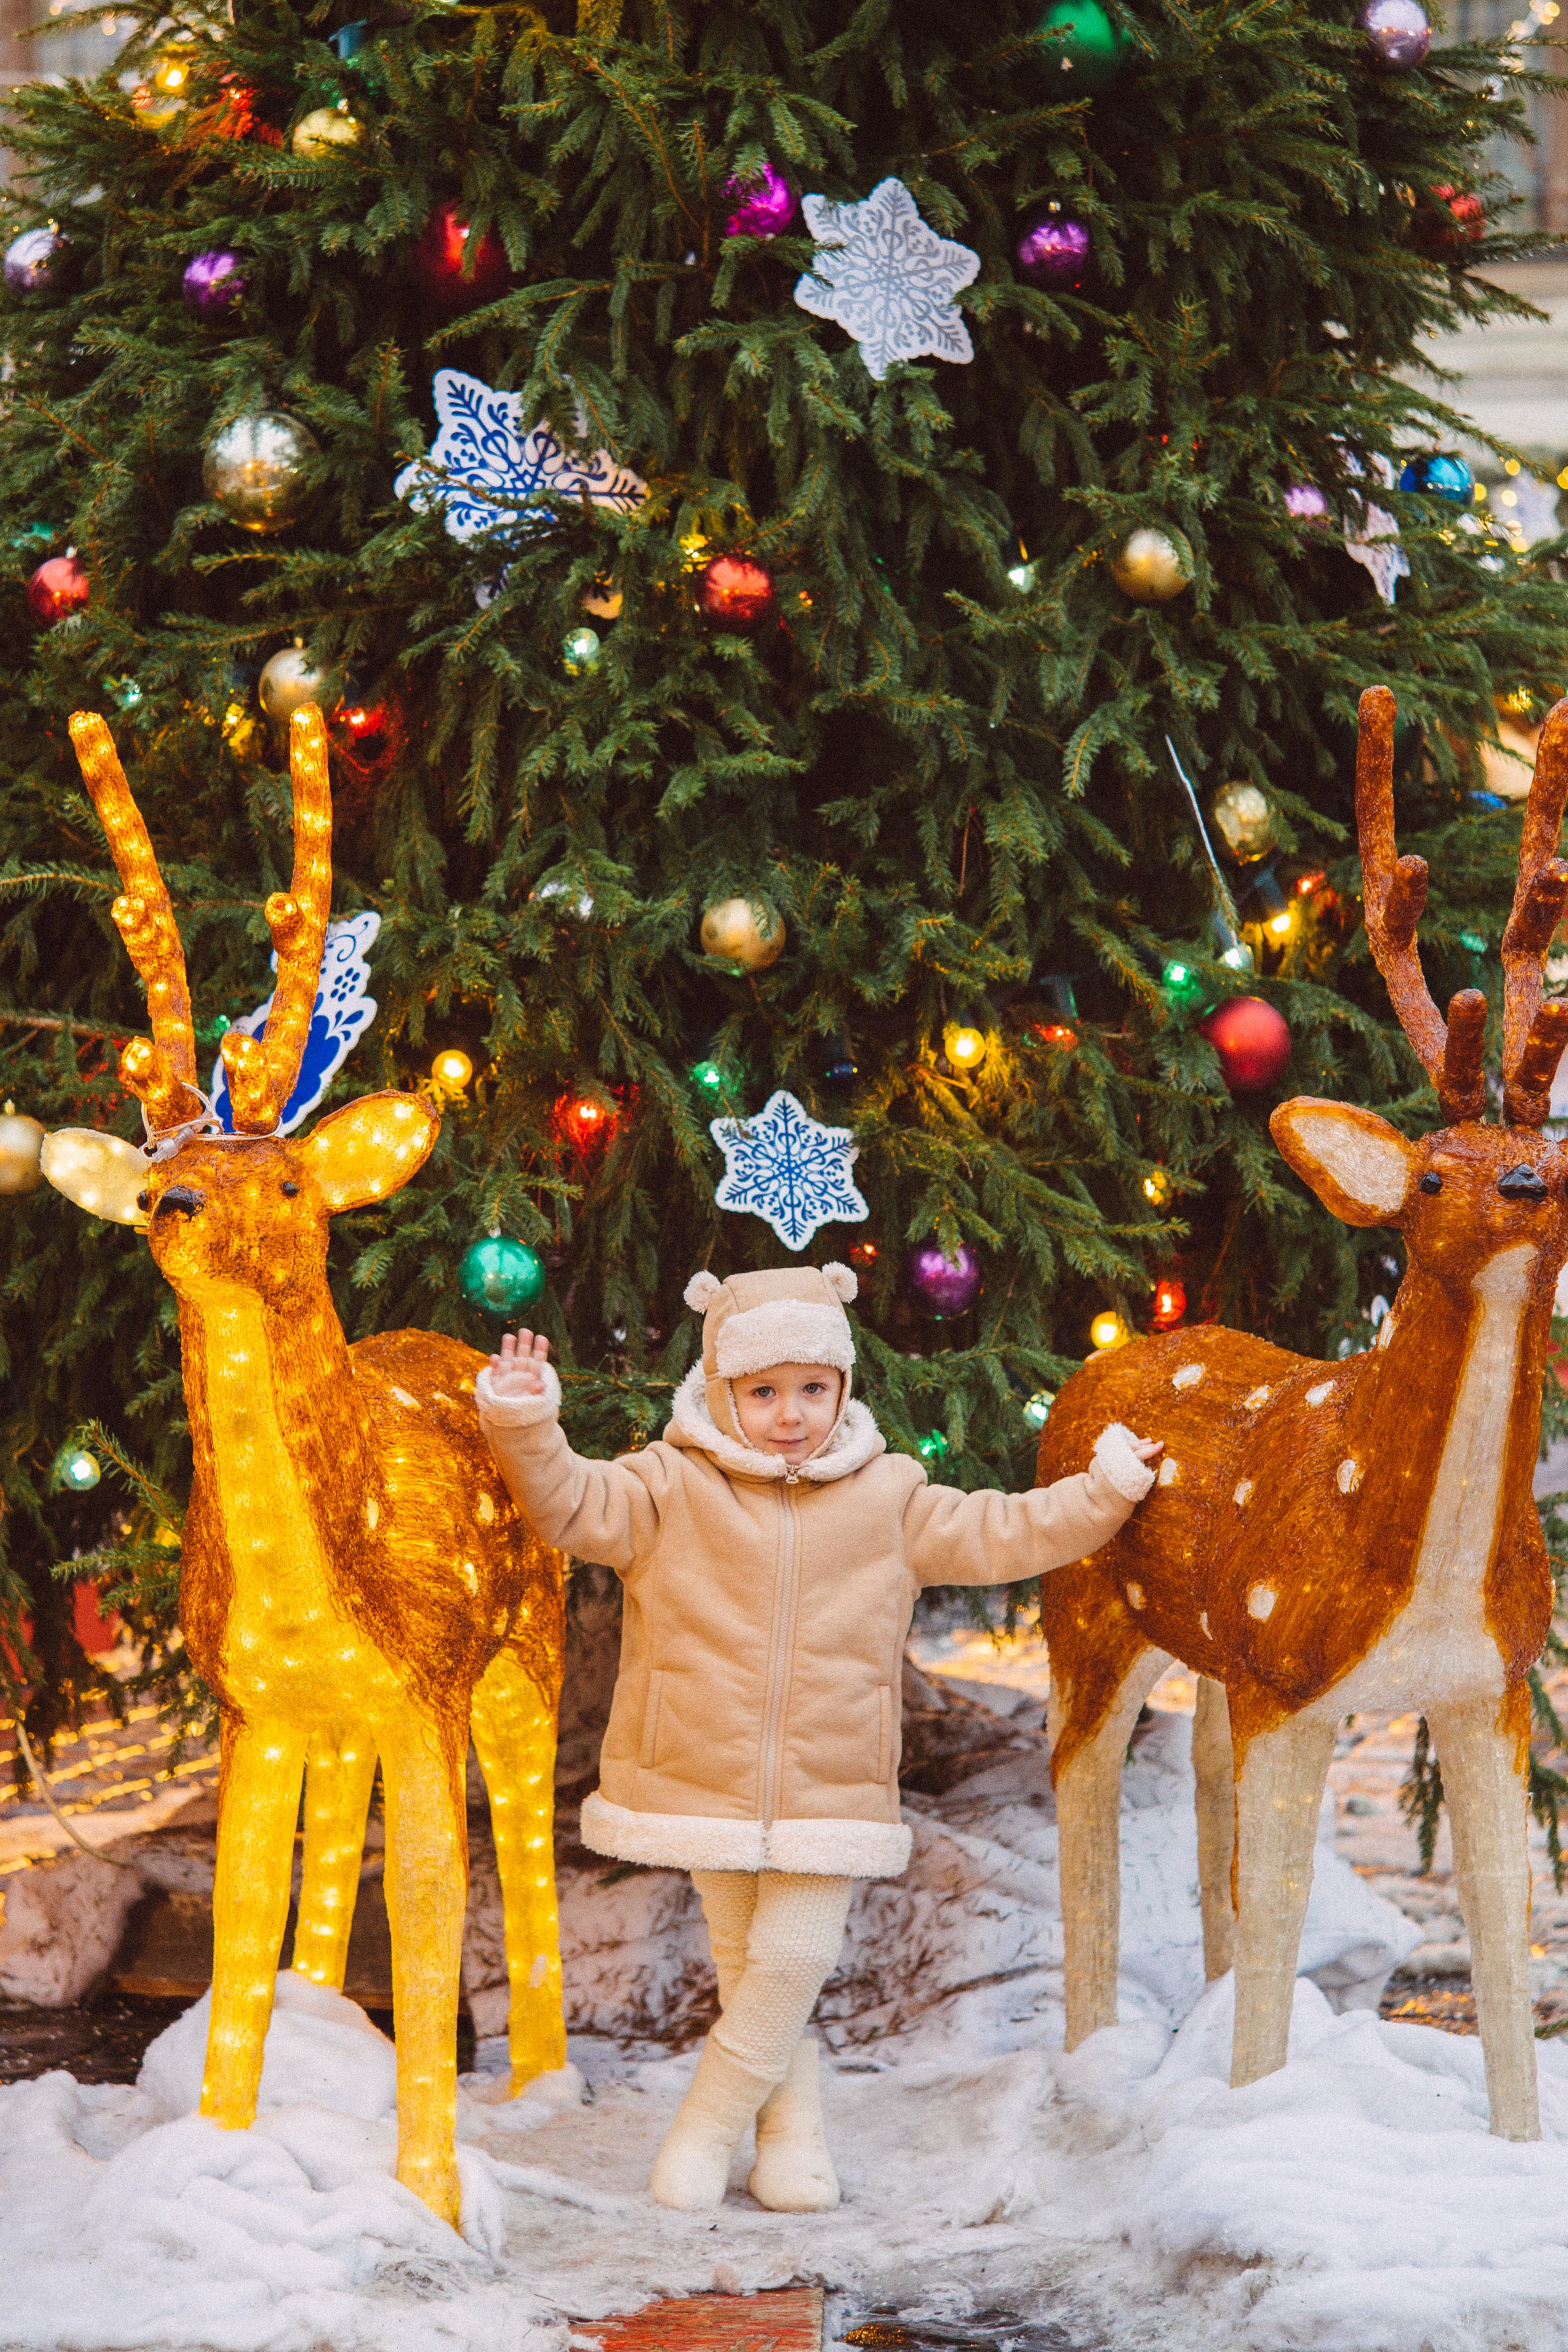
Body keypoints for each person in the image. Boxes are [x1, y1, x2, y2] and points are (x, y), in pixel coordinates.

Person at [475, 1262, 1162, 2215]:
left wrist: (1105, 1493)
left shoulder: (891, 1496)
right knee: (751, 1965)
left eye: (812, 1388)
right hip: (695, 1770)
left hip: (830, 1783)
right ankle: (792, 2142)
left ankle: (707, 2125)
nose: (790, 1413)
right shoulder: (666, 1486)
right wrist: (525, 1422)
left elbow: (1008, 1532)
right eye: (762, 1392)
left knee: (795, 1956)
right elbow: (568, 1505)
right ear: (722, 1390)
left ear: (843, 1388)